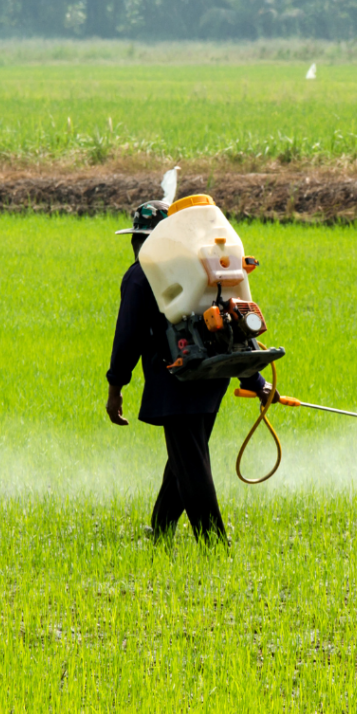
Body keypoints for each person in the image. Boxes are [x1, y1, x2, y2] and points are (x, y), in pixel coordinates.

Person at [105, 200, 270, 544]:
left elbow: (128, 335)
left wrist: (115, 386)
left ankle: (214, 544)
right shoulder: (203, 267)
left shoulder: (141, 275)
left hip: (175, 379)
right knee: (185, 456)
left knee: (191, 463)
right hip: (214, 376)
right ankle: (160, 530)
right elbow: (233, 324)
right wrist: (254, 380)